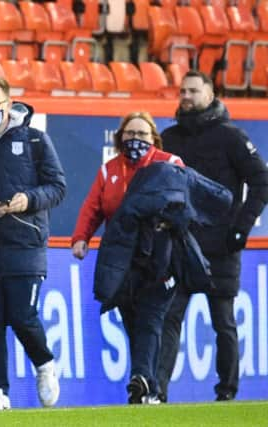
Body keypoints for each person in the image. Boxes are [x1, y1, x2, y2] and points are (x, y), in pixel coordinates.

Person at [156, 70, 268, 402]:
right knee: (169, 317)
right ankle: (157, 392)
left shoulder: (231, 137)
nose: (186, 96)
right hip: (180, 244)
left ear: (211, 93)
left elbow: (262, 182)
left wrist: (240, 229)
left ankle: (227, 394)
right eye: (182, 91)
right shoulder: (170, 138)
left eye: (193, 90)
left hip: (221, 246)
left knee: (223, 321)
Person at [0, 77, 66, 410]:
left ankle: (45, 364)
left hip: (25, 241)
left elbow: (57, 187)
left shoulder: (35, 139)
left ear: (10, 104)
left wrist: (28, 200)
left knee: (23, 316)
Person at [71, 112, 184, 404]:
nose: (135, 140)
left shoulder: (169, 164)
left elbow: (185, 203)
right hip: (122, 260)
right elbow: (93, 206)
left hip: (161, 256)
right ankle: (148, 384)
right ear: (120, 137)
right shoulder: (110, 170)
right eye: (130, 134)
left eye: (142, 134)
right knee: (132, 320)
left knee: (150, 318)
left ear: (153, 138)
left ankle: (143, 379)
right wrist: (81, 238)